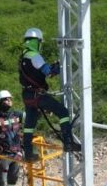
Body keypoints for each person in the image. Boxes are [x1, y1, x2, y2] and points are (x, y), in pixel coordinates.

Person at [18, 27, 81, 161]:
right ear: (37, 42)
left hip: (27, 95)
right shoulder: (34, 56)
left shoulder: (23, 56)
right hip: (37, 95)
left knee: (29, 124)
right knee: (63, 112)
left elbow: (34, 73)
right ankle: (69, 143)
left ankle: (28, 153)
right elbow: (48, 71)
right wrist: (57, 67)